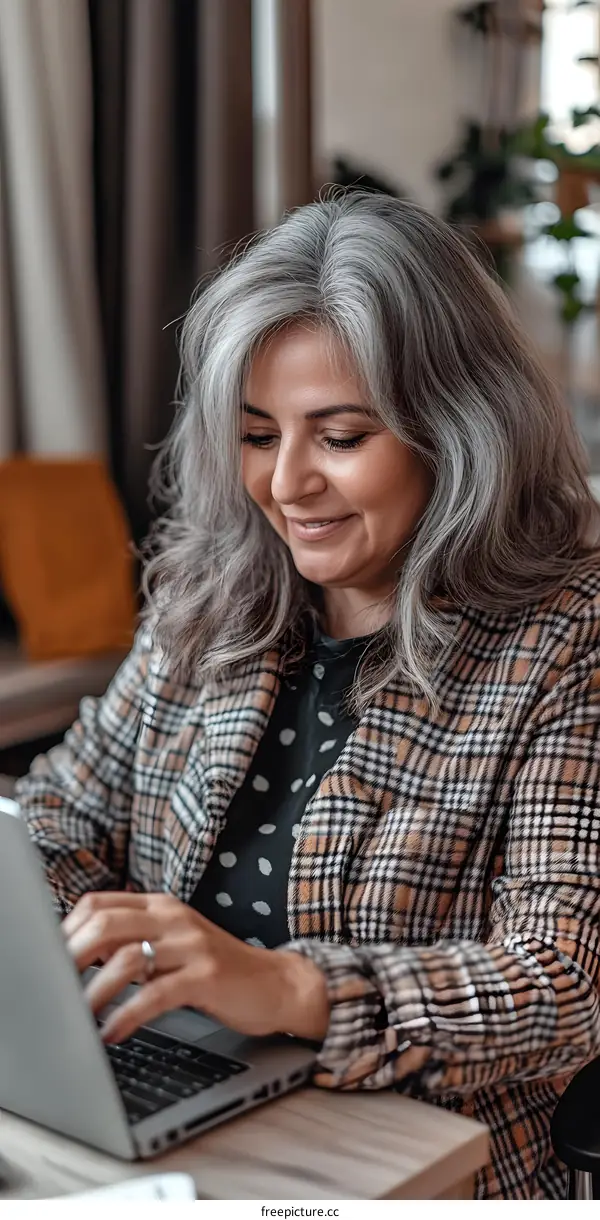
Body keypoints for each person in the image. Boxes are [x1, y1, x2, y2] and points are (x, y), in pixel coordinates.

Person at [15, 192, 600, 1200]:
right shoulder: (212, 593)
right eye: (255, 435)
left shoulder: (565, 637)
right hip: (182, 1107)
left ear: (454, 430)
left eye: (338, 437)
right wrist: (67, 945)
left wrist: (291, 989)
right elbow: (64, 810)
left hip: (429, 1158)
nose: (286, 484)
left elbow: (560, 983)